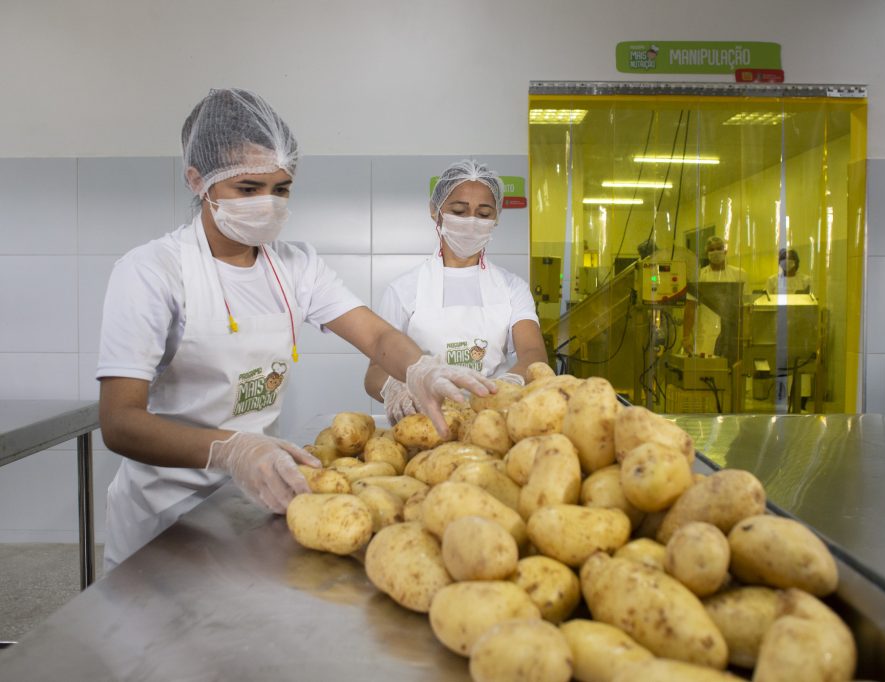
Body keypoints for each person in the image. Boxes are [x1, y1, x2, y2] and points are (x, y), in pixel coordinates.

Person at [96, 89, 494, 570]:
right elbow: (119, 423)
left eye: (280, 189)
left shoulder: (295, 265)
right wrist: (231, 448)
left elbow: (377, 337)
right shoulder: (152, 272)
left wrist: (422, 369)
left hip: (256, 501)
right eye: (247, 189)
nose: (267, 204)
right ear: (197, 180)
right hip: (161, 522)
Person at [364, 160, 548, 424]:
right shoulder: (404, 289)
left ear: (495, 219)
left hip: (491, 421)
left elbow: (534, 354)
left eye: (483, 214)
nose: (471, 222)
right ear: (435, 211)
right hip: (425, 423)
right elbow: (374, 373)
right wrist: (398, 386)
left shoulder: (512, 288)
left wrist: (509, 383)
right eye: (459, 211)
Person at [695, 236, 749, 362]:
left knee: (730, 367)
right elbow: (691, 306)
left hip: (733, 332)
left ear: (725, 251)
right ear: (707, 254)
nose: (716, 252)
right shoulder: (700, 275)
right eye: (712, 249)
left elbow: (746, 305)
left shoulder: (739, 273)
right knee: (706, 367)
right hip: (705, 330)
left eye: (719, 248)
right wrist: (687, 336)